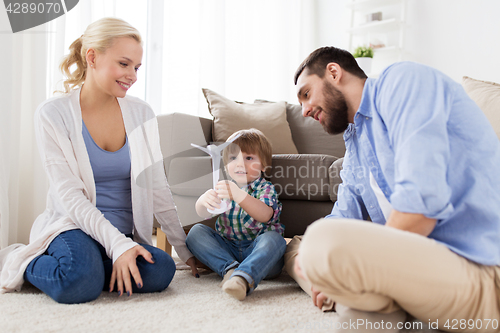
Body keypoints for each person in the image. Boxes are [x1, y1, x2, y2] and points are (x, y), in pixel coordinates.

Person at [289, 46, 500, 332]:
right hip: (424, 274)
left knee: (319, 245)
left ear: (334, 72)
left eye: (306, 94)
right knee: (299, 251)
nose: (304, 110)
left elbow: (418, 212)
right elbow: (342, 218)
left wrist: (332, 267)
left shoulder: (401, 82)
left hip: (483, 272)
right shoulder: (355, 144)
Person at [0, 17, 198, 303]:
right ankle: (20, 259)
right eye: (123, 64)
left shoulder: (142, 114)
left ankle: (92, 268)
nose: (132, 75)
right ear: (92, 57)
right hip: (72, 227)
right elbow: (69, 196)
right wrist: (116, 245)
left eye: (137, 67)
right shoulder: (53, 114)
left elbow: (157, 188)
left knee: (162, 270)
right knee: (78, 284)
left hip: (121, 232)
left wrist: (184, 249)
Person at [186, 129, 286, 301]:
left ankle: (243, 277)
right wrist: (203, 201)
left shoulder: (265, 188)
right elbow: (203, 213)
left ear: (263, 166)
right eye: (233, 158)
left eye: (248, 158)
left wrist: (239, 195)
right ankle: (230, 270)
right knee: (195, 233)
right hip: (228, 248)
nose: (240, 164)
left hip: (258, 251)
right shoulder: (224, 187)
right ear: (226, 165)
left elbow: (265, 215)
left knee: (275, 240)